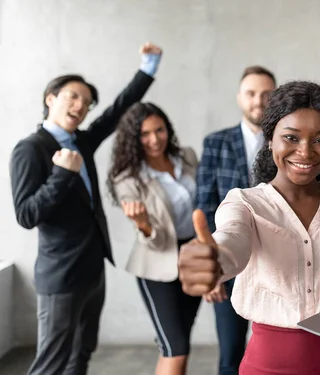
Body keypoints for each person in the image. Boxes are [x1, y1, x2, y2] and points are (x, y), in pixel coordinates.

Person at [179, 81, 320, 374]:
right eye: (291, 137)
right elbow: (231, 242)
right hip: (270, 365)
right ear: (270, 139)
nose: (305, 152)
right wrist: (213, 259)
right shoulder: (245, 203)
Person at [9, 43, 162, 375]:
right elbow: (26, 214)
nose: (81, 106)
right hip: (61, 276)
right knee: (51, 363)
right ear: (51, 98)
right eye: (72, 97)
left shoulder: (80, 141)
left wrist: (148, 67)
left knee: (81, 356)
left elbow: (118, 109)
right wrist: (63, 174)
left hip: (93, 269)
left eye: (86, 102)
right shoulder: (29, 149)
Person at [107, 102, 200, 375]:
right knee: (177, 348)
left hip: (193, 258)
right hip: (158, 264)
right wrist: (143, 224)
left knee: (173, 345)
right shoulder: (127, 179)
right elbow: (156, 241)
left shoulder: (187, 157)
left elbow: (206, 203)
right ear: (133, 140)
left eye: (159, 130)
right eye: (145, 134)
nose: (154, 139)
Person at [195, 65, 276, 375]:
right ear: (240, 98)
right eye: (251, 94)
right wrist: (213, 264)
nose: (259, 101)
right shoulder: (215, 142)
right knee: (230, 355)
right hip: (229, 261)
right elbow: (203, 204)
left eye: (267, 94)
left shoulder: (287, 142)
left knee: (271, 354)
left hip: (275, 263)